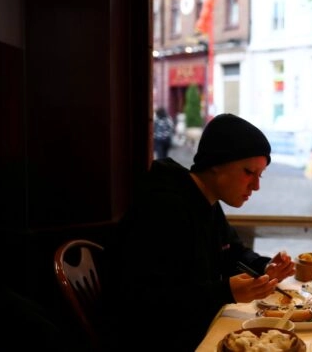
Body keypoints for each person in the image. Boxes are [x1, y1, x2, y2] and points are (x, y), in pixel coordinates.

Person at [102, 113, 296, 351]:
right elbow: (148, 300)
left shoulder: (206, 201)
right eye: (248, 172)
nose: (256, 186)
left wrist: (265, 268)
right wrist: (224, 291)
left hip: (191, 328)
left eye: (260, 175)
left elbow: (232, 252)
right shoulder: (164, 207)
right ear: (216, 163)